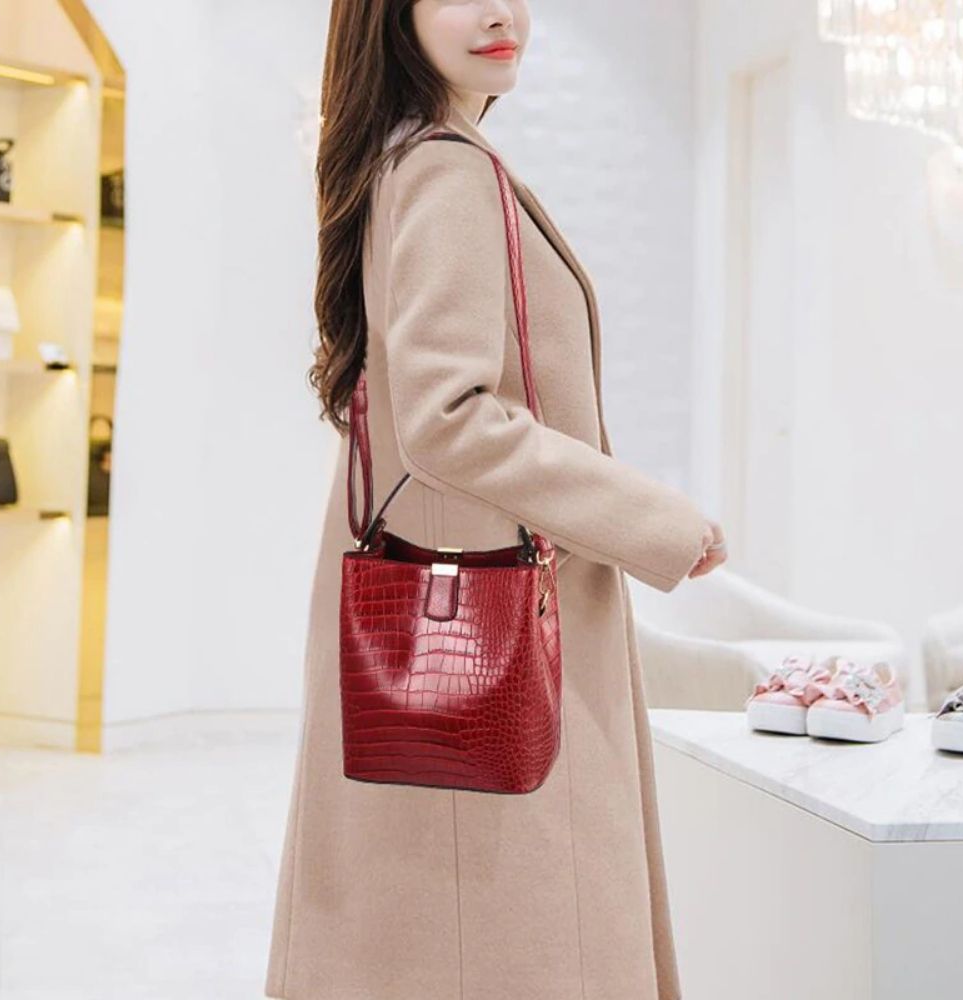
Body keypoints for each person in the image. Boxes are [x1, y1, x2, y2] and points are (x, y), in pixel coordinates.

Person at [265, 2, 728, 998]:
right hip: (500, 628)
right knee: (536, 934)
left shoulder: (399, 161)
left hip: (451, 602)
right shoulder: (446, 170)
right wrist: (653, 521)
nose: (498, 12)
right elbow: (446, 418)